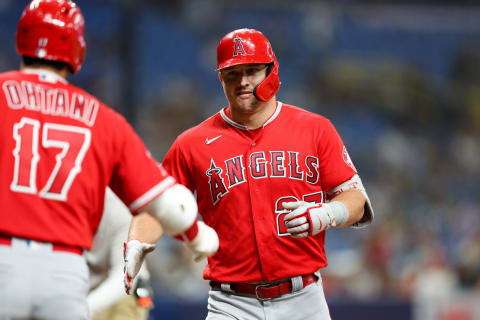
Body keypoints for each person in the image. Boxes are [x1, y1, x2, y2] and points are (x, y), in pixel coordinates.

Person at [125, 28, 374, 320]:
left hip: (304, 300)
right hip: (230, 303)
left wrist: (326, 213)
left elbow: (356, 200)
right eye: (232, 73)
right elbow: (157, 206)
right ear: (221, 79)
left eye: (252, 70)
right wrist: (136, 242)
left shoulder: (315, 129)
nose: (242, 81)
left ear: (272, 70)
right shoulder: (191, 143)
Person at [0, 1, 218, 319]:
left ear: (21, 39)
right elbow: (167, 204)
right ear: (77, 49)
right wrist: (197, 236)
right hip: (65, 273)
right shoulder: (103, 120)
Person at [87, 188, 158, 320]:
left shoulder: (120, 209)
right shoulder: (56, 204)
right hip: (80, 288)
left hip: (125, 291)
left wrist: (84, 308)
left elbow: (125, 276)